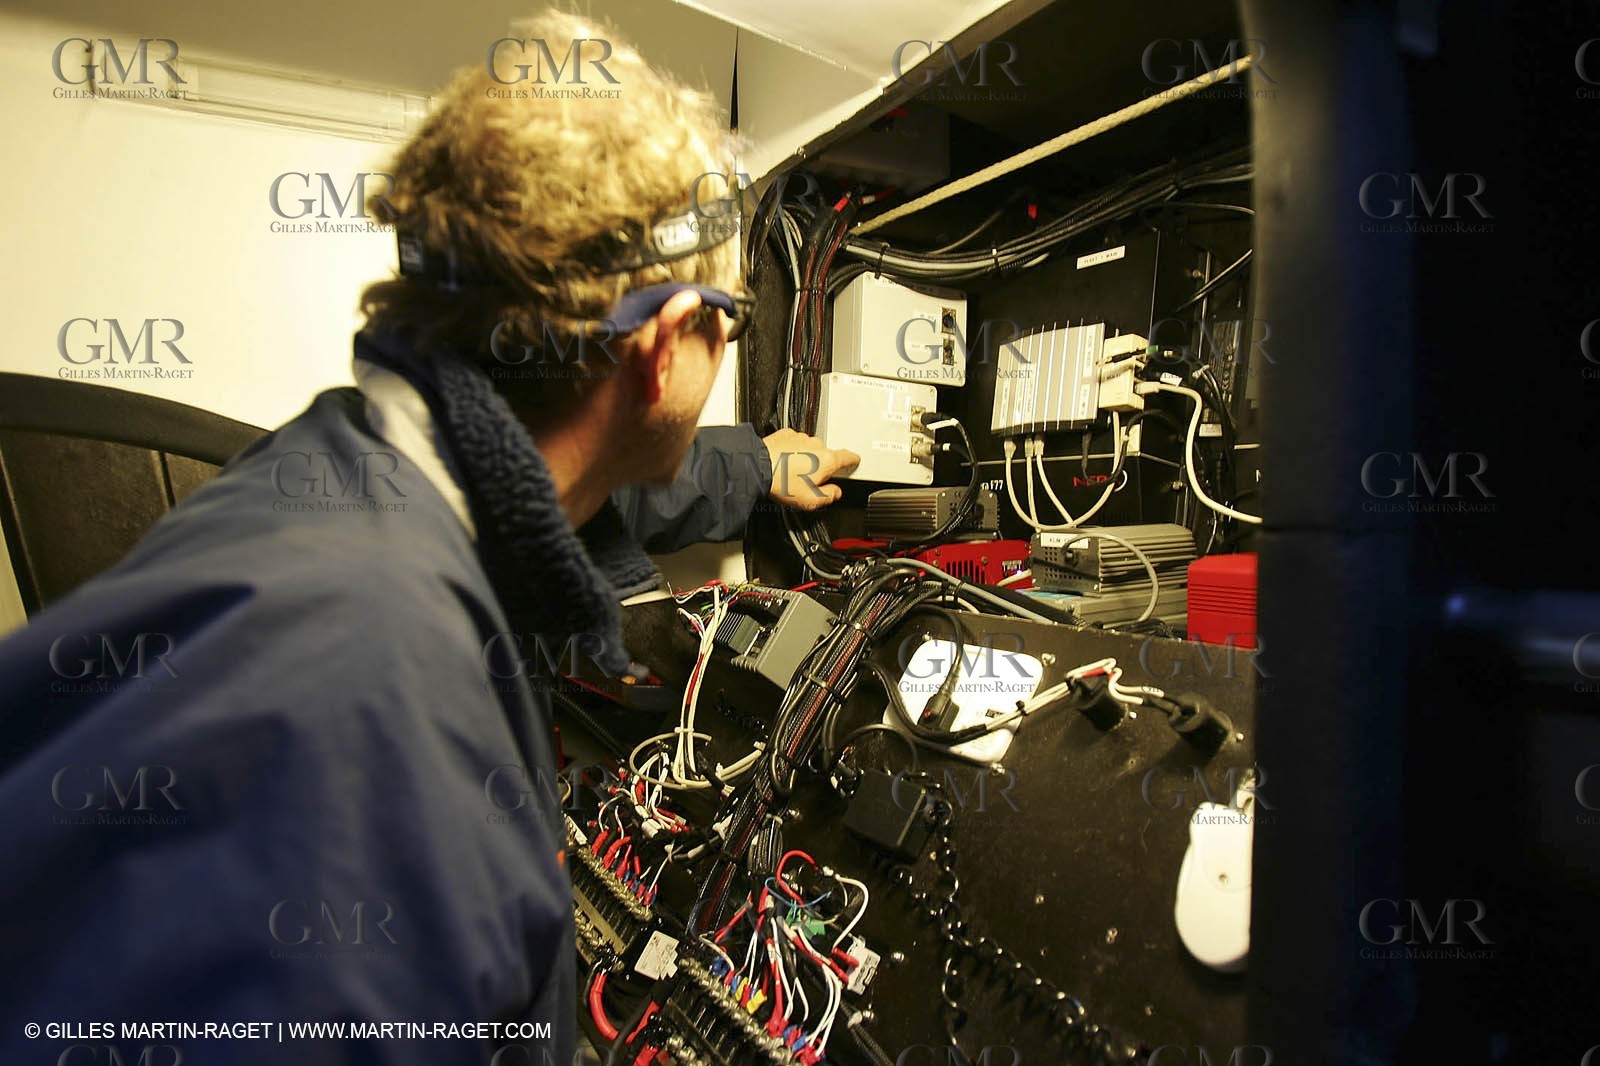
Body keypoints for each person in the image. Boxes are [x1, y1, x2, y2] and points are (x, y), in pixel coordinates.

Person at [0, 11, 857, 1065]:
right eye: (727, 314)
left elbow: (587, 492)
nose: (727, 342)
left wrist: (756, 465)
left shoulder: (357, 464)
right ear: (665, 344)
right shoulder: (366, 684)